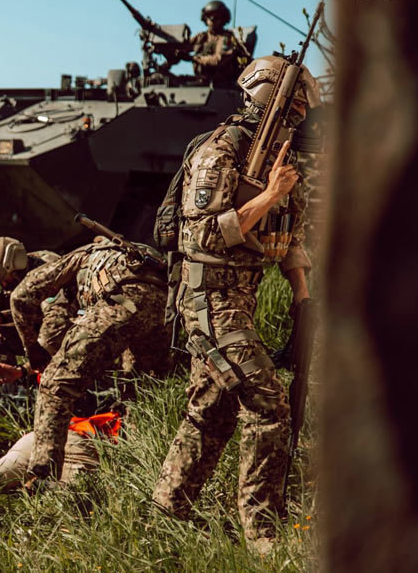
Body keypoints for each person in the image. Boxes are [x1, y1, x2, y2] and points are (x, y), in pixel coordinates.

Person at [151, 55, 321, 553]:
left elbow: (291, 237)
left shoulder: (277, 158)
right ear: (270, 100)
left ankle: (167, 510)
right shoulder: (219, 150)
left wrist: (303, 299)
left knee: (212, 412)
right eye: (293, 108)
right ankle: (261, 531)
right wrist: (267, 195)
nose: (300, 118)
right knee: (268, 405)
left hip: (240, 300)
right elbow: (203, 232)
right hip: (207, 297)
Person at [10, 234, 172, 482]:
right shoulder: (132, 254)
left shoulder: (79, 256)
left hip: (122, 302)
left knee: (55, 384)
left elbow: (20, 297)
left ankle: (42, 477)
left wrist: (32, 350)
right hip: (166, 312)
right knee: (141, 390)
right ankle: (141, 467)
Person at [0, 362, 121, 486]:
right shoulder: (121, 411)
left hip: (46, 436)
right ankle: (39, 486)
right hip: (75, 440)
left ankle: (37, 486)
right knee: (74, 498)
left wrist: (21, 370)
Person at [0, 237, 76, 387]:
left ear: (15, 266)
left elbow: (55, 330)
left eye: (6, 280)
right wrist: (4, 318)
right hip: (42, 329)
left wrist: (23, 370)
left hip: (69, 336)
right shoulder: (23, 267)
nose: (4, 286)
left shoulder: (48, 275)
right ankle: (3, 398)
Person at [182, 0, 247, 88]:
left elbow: (217, 60)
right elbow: (183, 48)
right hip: (203, 81)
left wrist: (194, 58)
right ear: (205, 18)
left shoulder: (226, 38)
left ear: (223, 19)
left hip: (223, 85)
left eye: (216, 17)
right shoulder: (202, 37)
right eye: (209, 16)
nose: (212, 19)